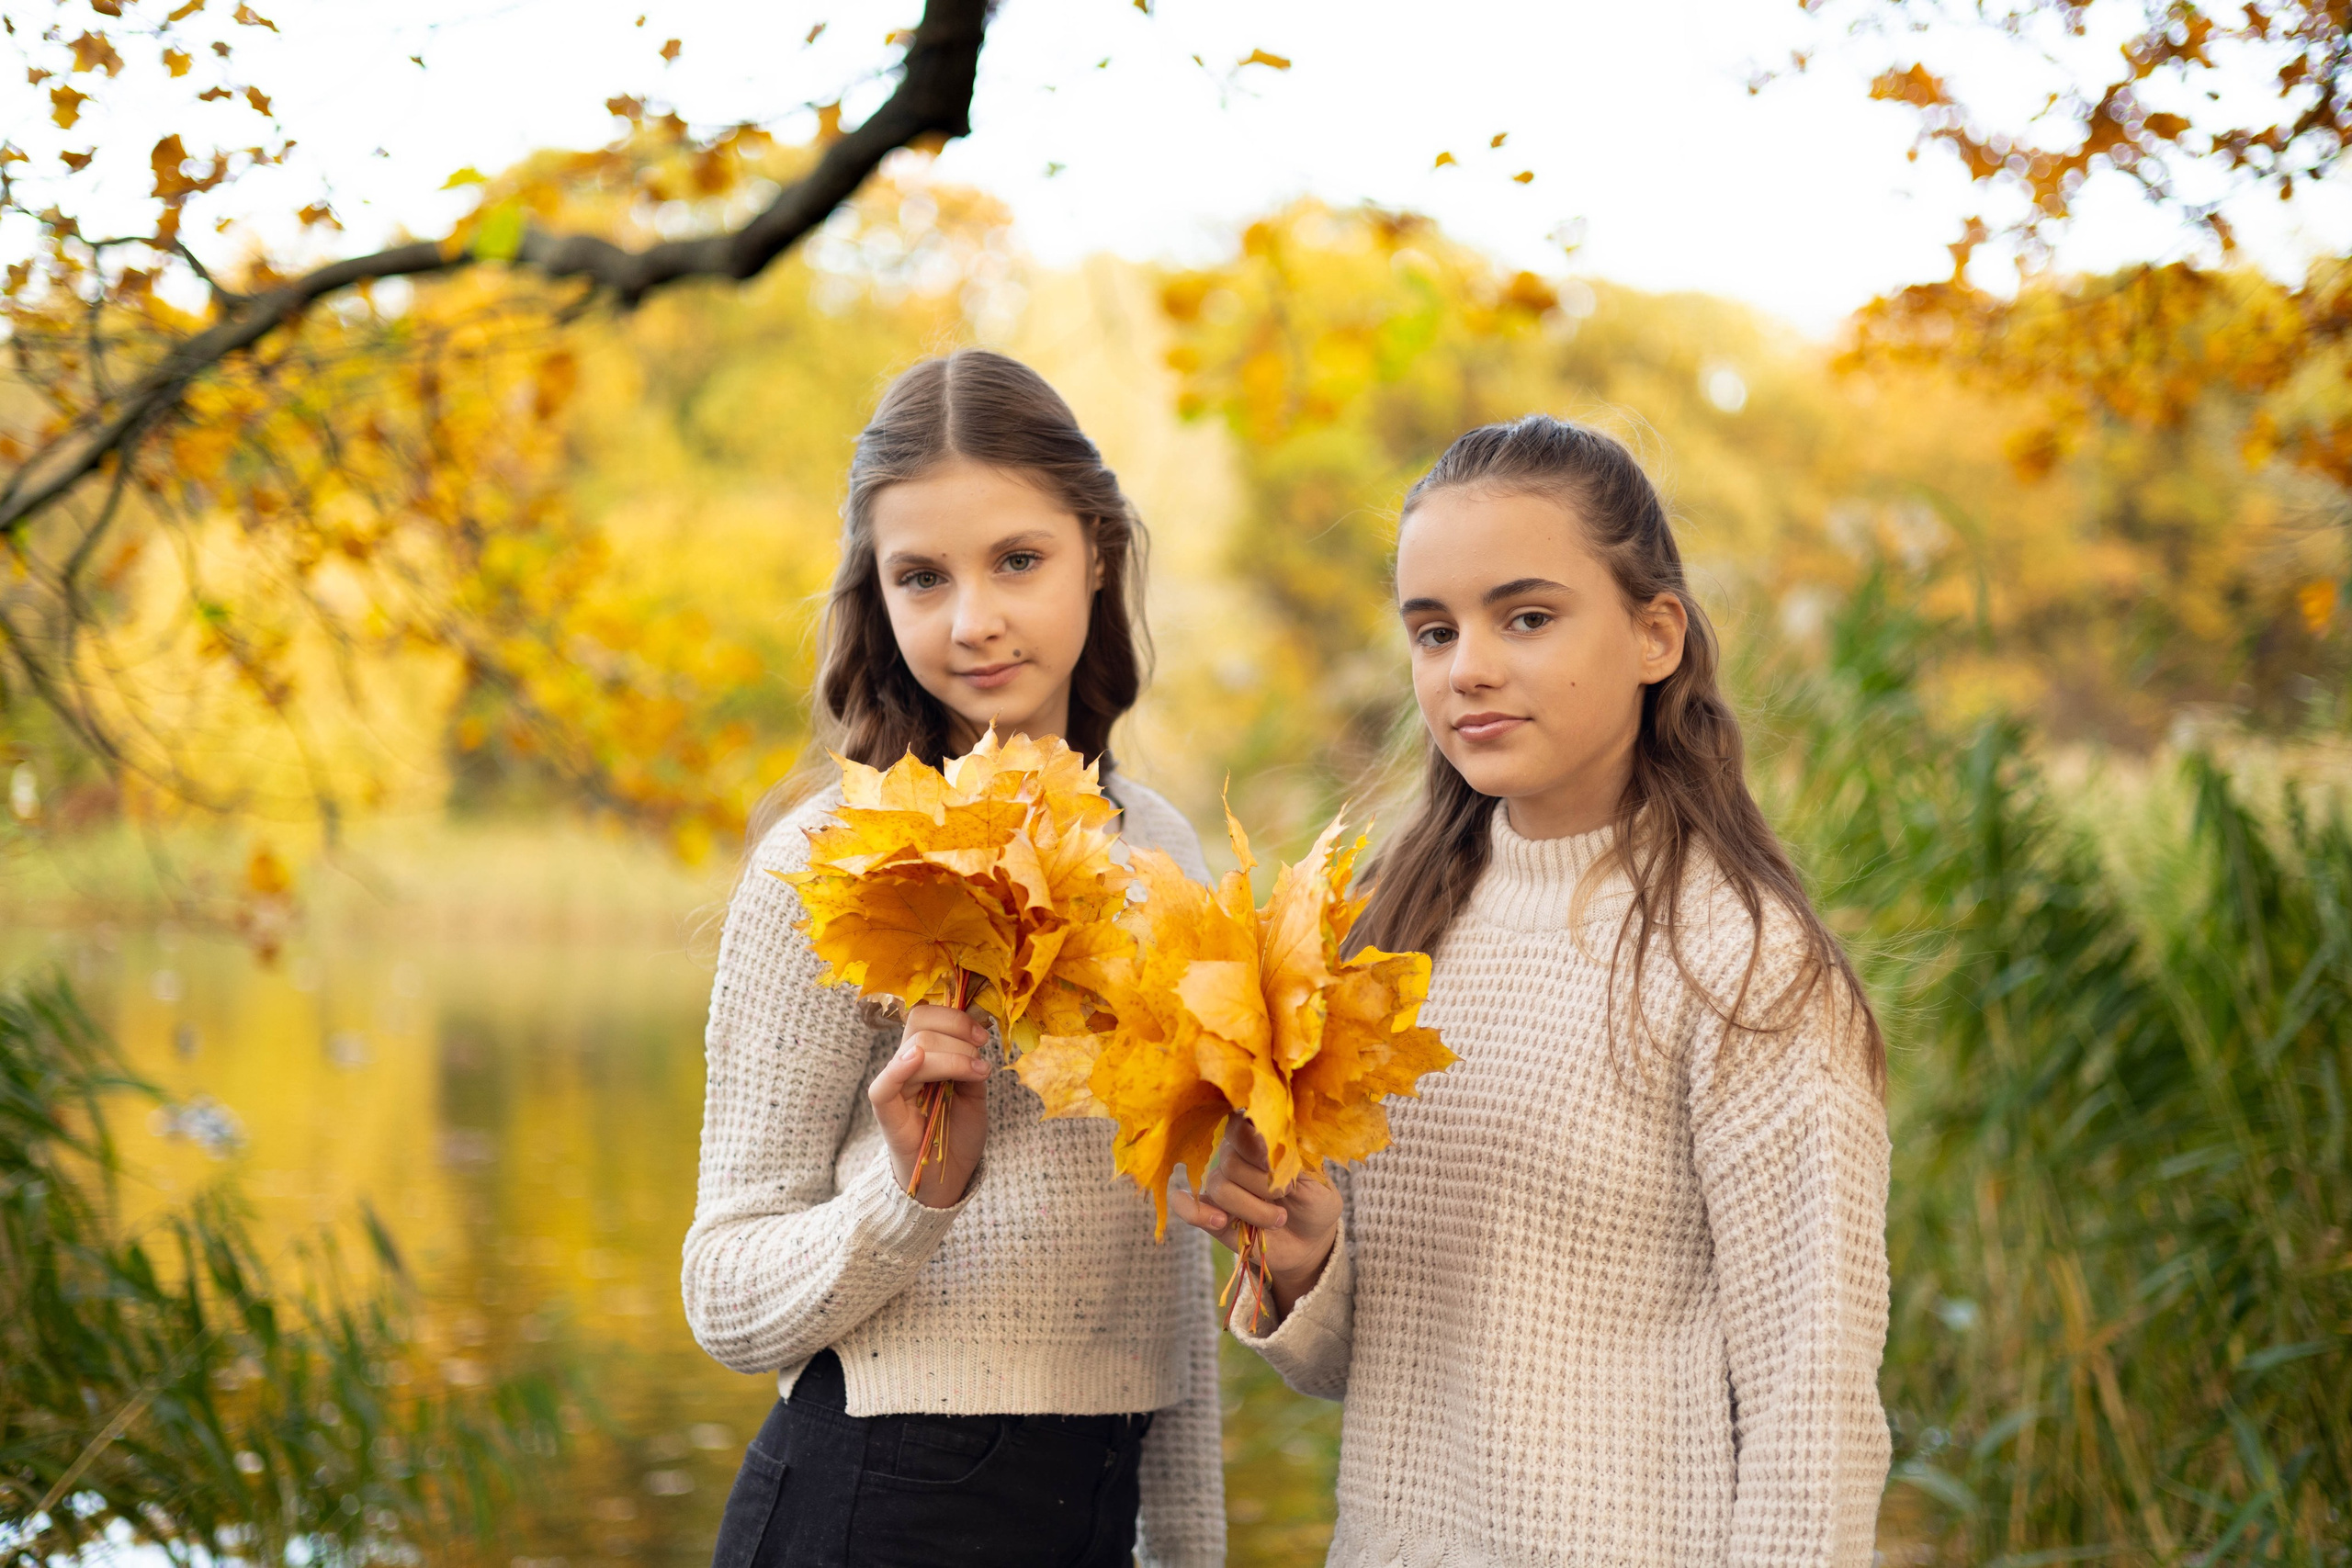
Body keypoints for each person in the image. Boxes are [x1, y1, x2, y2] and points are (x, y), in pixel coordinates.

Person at [1174, 414, 1892, 1565]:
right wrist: (1306, 1256)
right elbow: (1368, 1365)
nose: (1469, 668)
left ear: (1656, 634)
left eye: (1527, 617)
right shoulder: (1385, 938)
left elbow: (1813, 1409)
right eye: (1432, 630)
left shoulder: (1739, 965)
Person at [685, 349, 1224, 1568]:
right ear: (877, 595)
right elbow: (723, 1293)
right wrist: (910, 1192)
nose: (973, 619)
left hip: (1097, 1498)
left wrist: (1188, 1541)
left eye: (1017, 560)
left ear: (1097, 549)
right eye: (921, 575)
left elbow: (1170, 1262)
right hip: (880, 1501)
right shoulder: (830, 866)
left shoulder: (1163, 850)